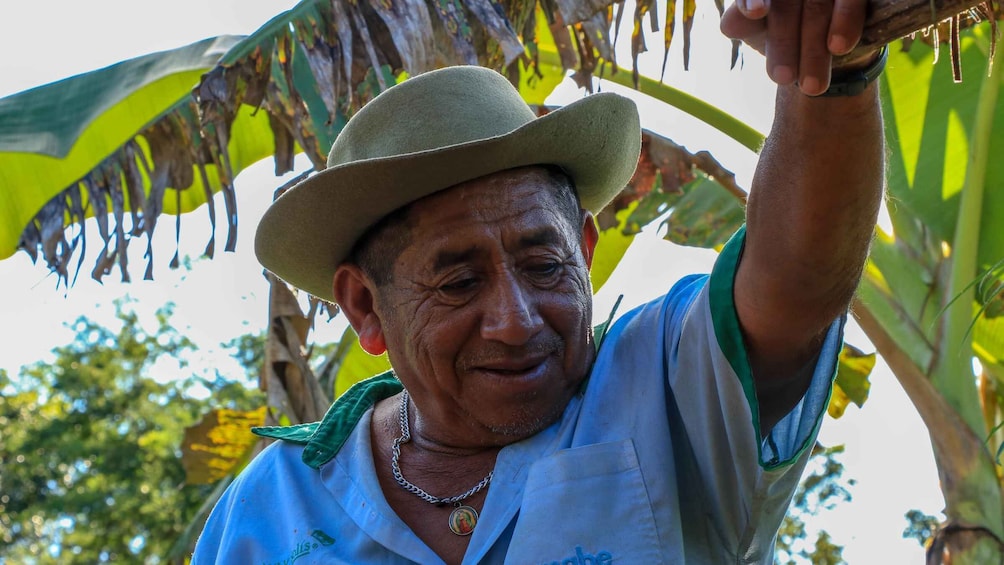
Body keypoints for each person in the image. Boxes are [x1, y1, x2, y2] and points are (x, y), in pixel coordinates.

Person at [192, 0, 886, 562]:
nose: (517, 319)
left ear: (584, 250)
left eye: (545, 265)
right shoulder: (272, 507)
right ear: (365, 306)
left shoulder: (665, 382)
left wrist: (836, 71)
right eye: (459, 283)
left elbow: (796, 283)